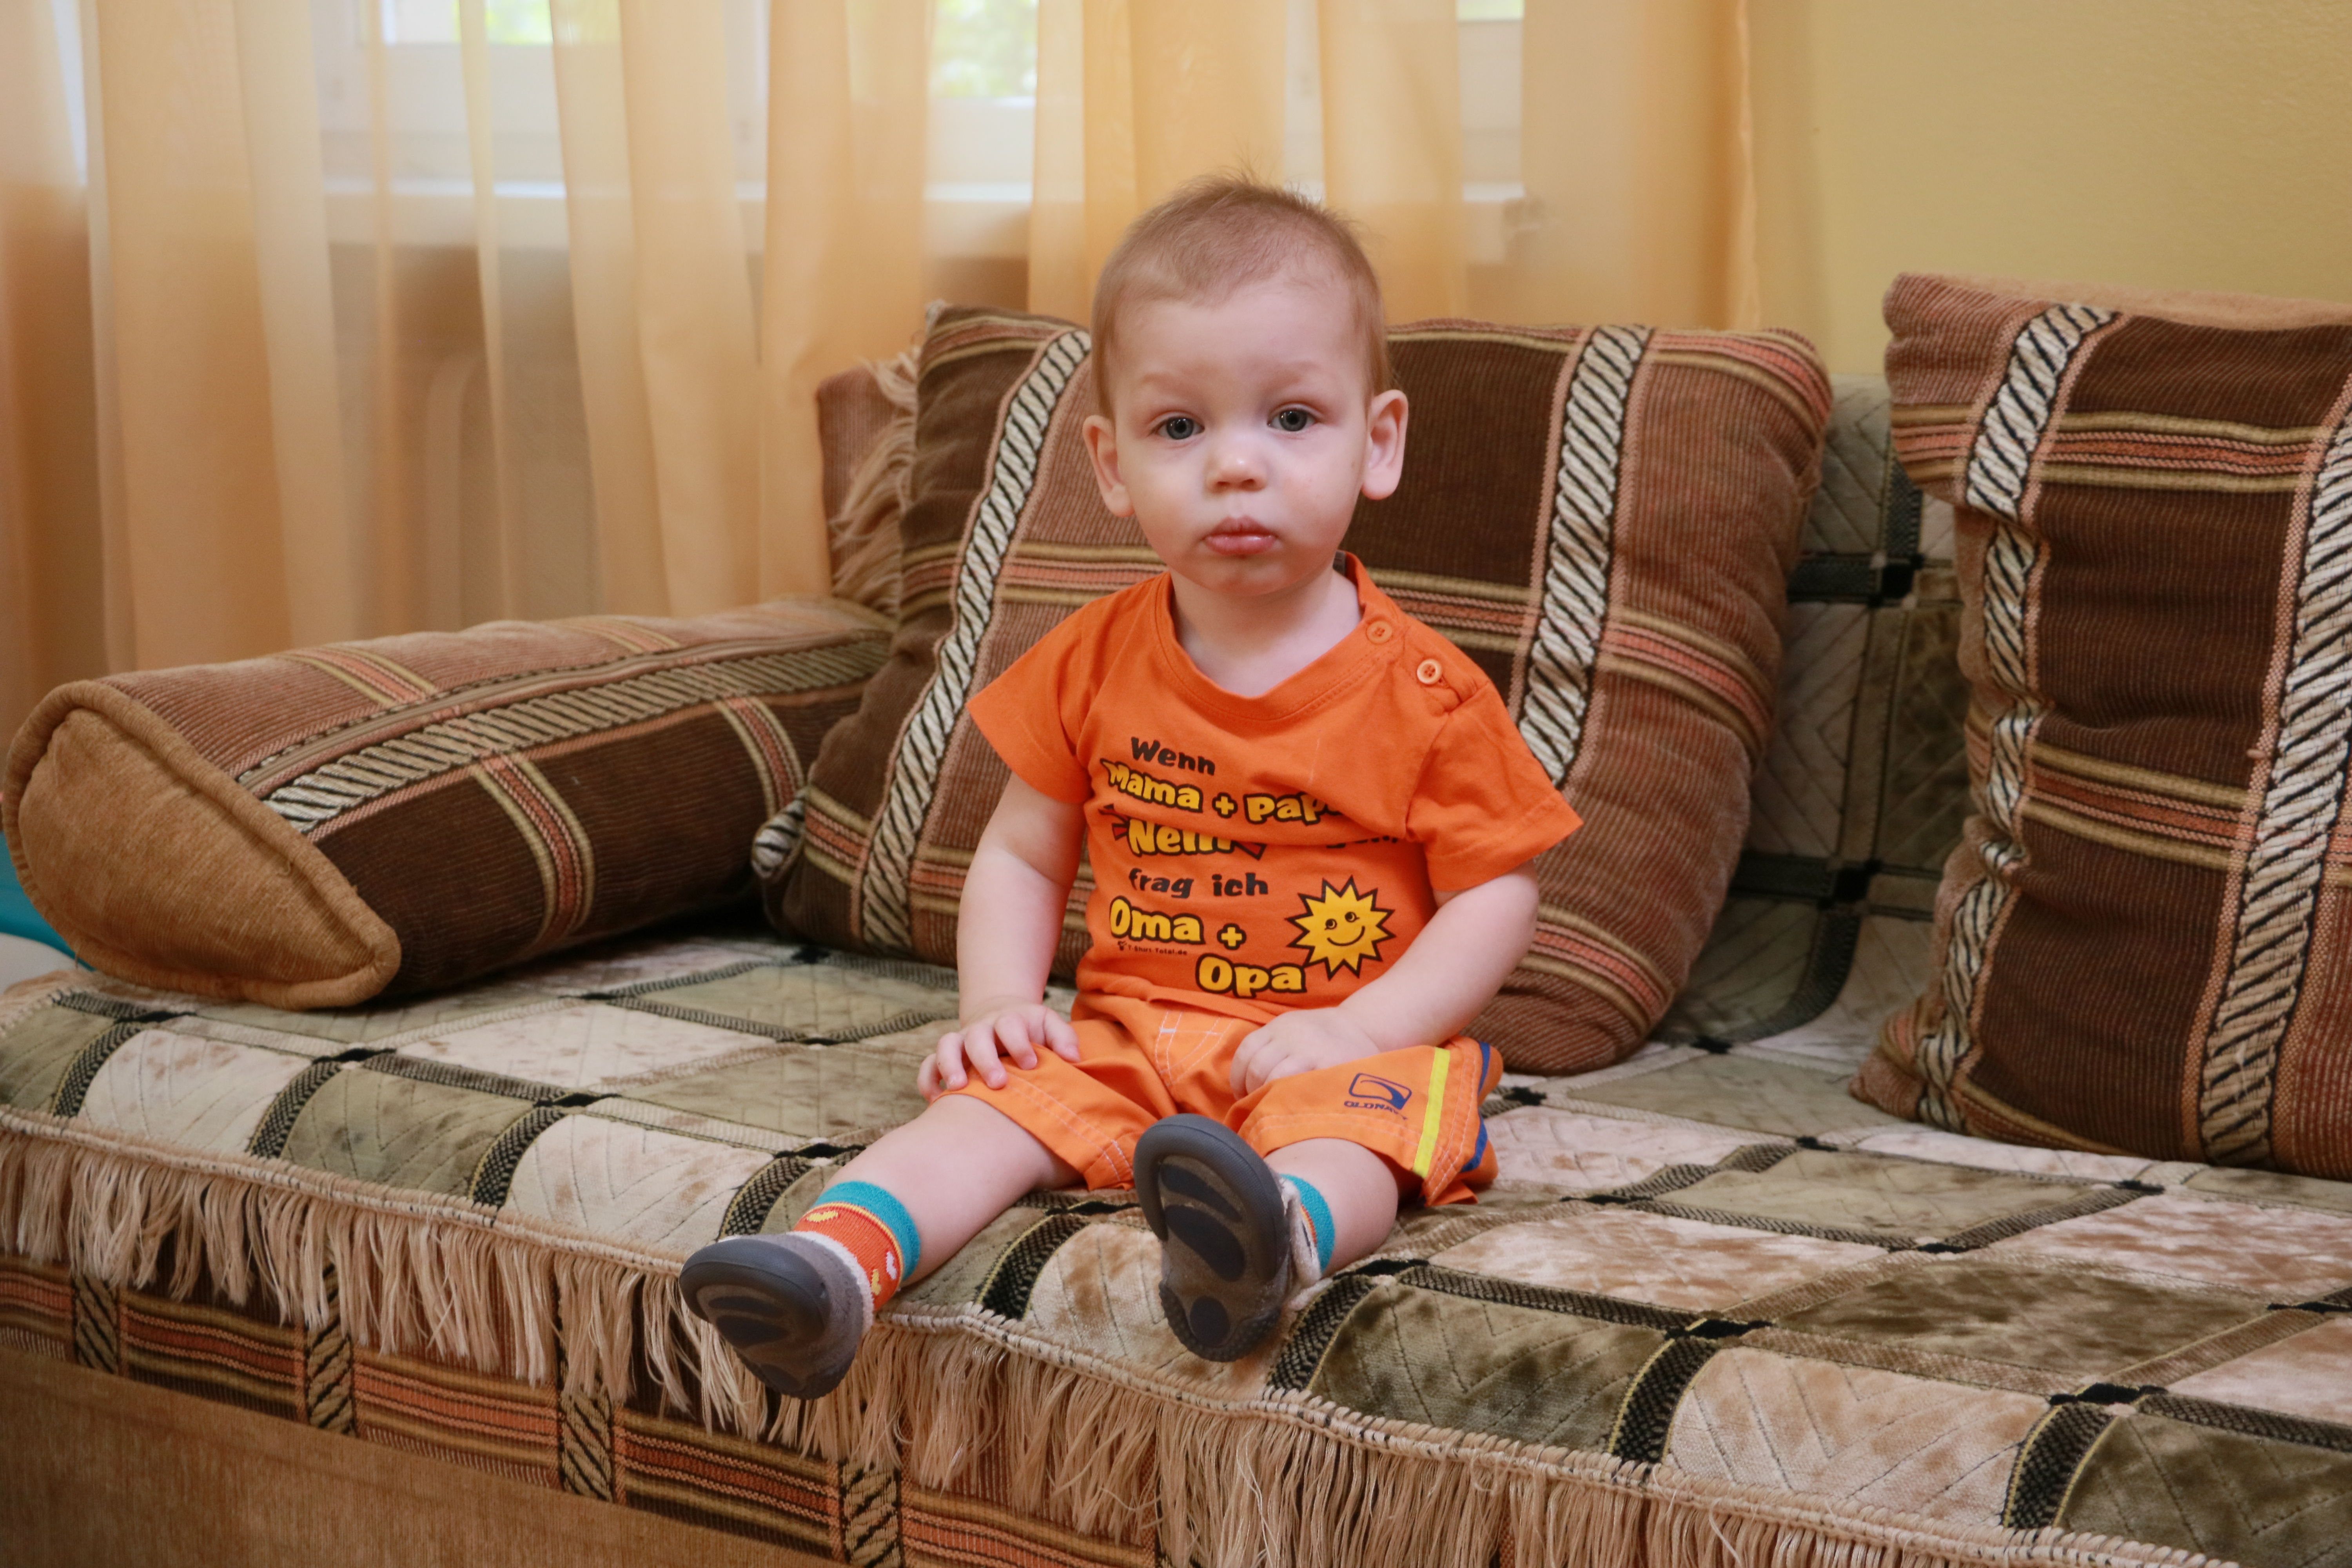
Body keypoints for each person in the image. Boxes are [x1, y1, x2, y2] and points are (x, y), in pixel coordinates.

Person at [681, 176, 1581, 1399]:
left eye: (1294, 418)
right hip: (1127, 1038)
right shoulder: (1091, 660)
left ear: (1379, 443)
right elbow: (1020, 853)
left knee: (1359, 1139)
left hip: (1336, 1043)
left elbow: (1497, 891)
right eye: (1180, 428)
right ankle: (830, 1267)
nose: (1238, 468)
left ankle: (1267, 1243)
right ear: (1110, 464)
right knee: (979, 1114)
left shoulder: (1426, 693)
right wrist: (1000, 1005)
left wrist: (1368, 1028)